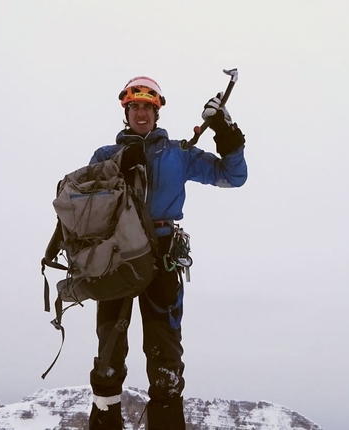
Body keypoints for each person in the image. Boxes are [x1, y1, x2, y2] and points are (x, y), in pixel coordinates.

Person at [87, 76, 247, 430]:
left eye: (147, 107)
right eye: (135, 107)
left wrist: (225, 130)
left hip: (162, 257)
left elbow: (233, 176)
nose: (141, 113)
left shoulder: (179, 153)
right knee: (109, 355)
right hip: (116, 258)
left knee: (165, 360)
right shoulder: (105, 156)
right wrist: (117, 170)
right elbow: (90, 210)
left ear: (157, 112)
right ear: (125, 112)